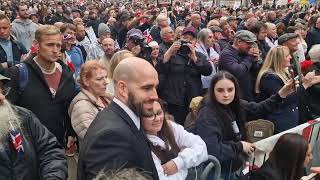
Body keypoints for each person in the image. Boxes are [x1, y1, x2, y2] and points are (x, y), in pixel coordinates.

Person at [195, 71, 302, 179]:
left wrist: (281, 94)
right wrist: (240, 146)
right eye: (220, 90)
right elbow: (212, 149)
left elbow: (258, 109)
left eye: (230, 89)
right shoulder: (207, 114)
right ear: (212, 91)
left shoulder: (236, 103)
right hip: (217, 172)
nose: (226, 94)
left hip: (233, 166)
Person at [78, 57, 159, 180]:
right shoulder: (111, 137)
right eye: (146, 88)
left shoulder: (127, 118)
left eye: (155, 87)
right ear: (123, 88)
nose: (155, 96)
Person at [5, 25, 77, 150]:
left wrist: (71, 132)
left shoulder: (66, 74)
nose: (55, 50)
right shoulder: (18, 74)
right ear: (36, 45)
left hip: (56, 145)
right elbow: (8, 112)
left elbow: (68, 106)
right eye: (49, 45)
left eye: (58, 45)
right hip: (27, 147)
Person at [0, 74, 68, 179]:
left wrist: (53, 176)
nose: (2, 97)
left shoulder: (23, 116)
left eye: (1, 89)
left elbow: (50, 151)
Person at [255, 46, 319, 133]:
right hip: (281, 122)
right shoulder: (269, 78)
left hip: (291, 118)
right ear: (278, 59)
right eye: (287, 55)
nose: (290, 57)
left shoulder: (285, 72)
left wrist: (309, 83)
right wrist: (305, 85)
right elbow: (284, 100)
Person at [156, 26, 212, 124]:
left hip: (192, 101)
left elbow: (208, 71)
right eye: (185, 38)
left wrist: (194, 58)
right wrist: (169, 51)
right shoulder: (172, 54)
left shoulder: (199, 56)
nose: (188, 41)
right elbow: (159, 69)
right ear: (180, 38)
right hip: (174, 101)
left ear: (196, 42)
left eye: (191, 39)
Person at [142, 99, 208, 179]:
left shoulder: (170, 127)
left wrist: (178, 163)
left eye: (159, 113)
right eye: (150, 115)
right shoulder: (141, 143)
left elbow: (201, 147)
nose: (157, 119)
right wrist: (186, 167)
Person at [69, 61, 112, 140]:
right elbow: (95, 139)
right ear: (86, 81)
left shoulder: (104, 96)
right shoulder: (81, 107)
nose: (106, 82)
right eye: (99, 79)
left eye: (106, 77)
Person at [218, 30, 261, 101]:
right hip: (235, 97)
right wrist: (249, 58)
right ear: (238, 42)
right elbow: (238, 72)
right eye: (248, 43)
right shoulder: (227, 54)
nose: (250, 46)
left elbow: (255, 72)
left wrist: (255, 60)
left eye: (252, 43)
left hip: (248, 94)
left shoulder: (245, 52)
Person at [196, 28, 219, 93]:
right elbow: (203, 64)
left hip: (211, 83)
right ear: (202, 39)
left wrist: (211, 62)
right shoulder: (197, 49)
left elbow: (218, 58)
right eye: (210, 37)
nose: (213, 40)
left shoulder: (210, 49)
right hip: (200, 85)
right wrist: (211, 63)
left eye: (213, 37)